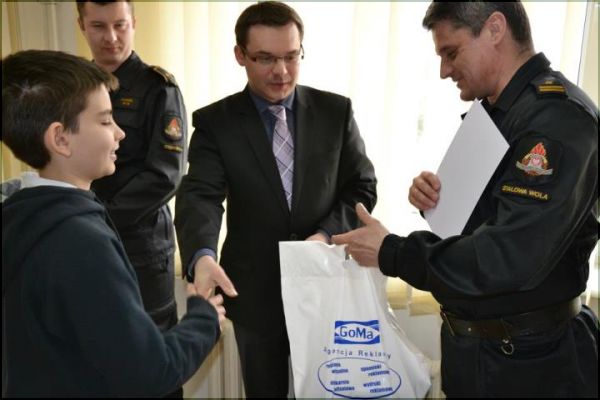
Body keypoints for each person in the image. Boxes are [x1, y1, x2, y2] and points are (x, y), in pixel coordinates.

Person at [333, 1, 599, 398]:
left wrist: (392, 252)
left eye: (451, 52)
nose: (444, 70)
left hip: (532, 365)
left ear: (494, 29)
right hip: (482, 353)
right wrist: (436, 202)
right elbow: (484, 224)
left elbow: (506, 256)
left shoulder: (556, 120)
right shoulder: (498, 111)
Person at [175, 1, 377, 396]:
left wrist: (324, 235)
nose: (281, 71)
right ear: (240, 55)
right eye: (265, 58)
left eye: (291, 56)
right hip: (254, 295)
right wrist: (202, 255)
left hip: (325, 284)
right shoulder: (216, 123)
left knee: (330, 391)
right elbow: (200, 195)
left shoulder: (335, 111)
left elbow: (362, 187)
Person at [1, 49, 225, 397]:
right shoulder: (81, 242)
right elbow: (149, 373)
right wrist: (204, 317)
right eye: (106, 121)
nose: (120, 133)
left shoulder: (19, 215)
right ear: (60, 139)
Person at [77, 0, 186, 338]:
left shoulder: (159, 88)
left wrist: (101, 219)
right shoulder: (72, 88)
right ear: (82, 26)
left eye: (119, 25)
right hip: (84, 238)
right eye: (98, 26)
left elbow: (165, 174)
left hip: (141, 245)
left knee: (149, 343)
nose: (111, 37)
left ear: (134, 23)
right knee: (96, 340)